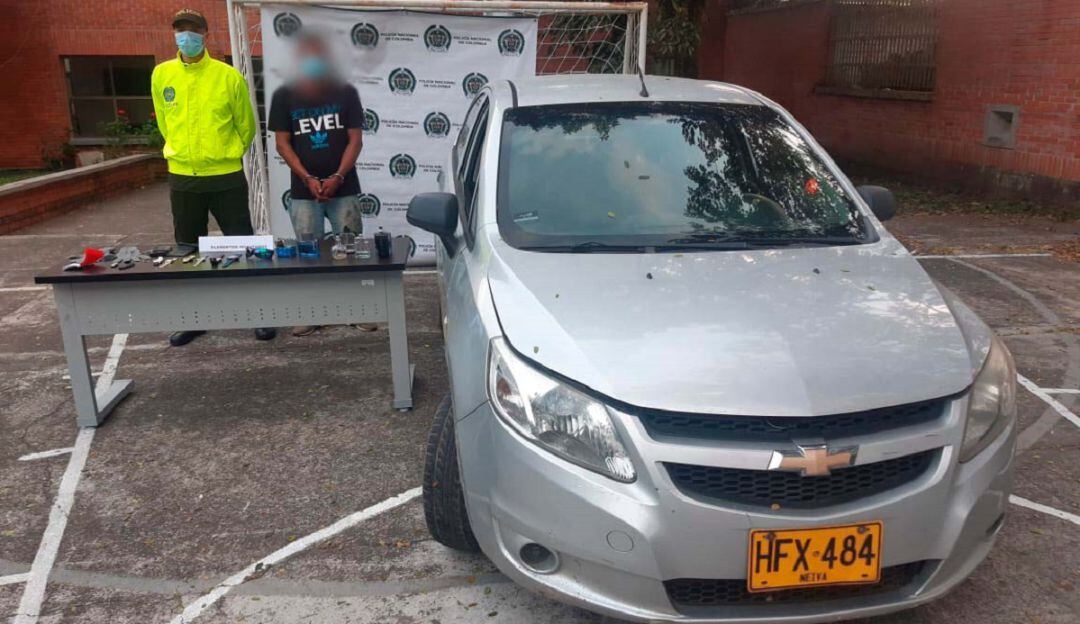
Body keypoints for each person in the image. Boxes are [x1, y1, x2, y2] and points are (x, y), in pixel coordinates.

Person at [151, 8, 276, 345]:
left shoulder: (227, 76)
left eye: (192, 30)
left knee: (244, 245)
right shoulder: (161, 75)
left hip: (225, 176)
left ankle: (259, 314)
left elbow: (246, 125)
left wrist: (228, 153)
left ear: (205, 34)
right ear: (174, 34)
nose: (186, 37)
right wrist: (181, 151)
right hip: (183, 177)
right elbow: (165, 122)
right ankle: (195, 318)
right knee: (188, 251)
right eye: (180, 30)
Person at [268, 31, 370, 337]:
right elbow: (282, 144)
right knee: (309, 253)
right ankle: (313, 313)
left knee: (350, 251)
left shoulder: (346, 93)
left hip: (344, 188)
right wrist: (308, 178)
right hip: (303, 192)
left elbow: (356, 139)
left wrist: (338, 177)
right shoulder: (284, 96)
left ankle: (358, 311)